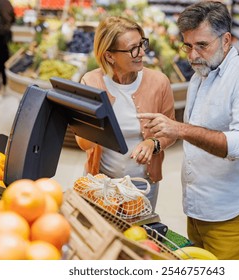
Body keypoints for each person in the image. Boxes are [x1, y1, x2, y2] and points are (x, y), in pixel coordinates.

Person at [138, 1, 239, 260]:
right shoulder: (200, 76)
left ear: (226, 40)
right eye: (187, 46)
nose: (192, 55)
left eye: (202, 45)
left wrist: (180, 129)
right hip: (198, 208)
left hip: (231, 212)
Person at [75, 16, 176, 212]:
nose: (142, 53)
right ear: (109, 56)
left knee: (138, 237)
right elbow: (83, 144)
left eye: (142, 44)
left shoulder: (159, 82)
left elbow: (170, 131)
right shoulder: (91, 82)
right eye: (133, 48)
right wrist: (89, 124)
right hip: (101, 182)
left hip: (142, 184)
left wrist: (152, 143)